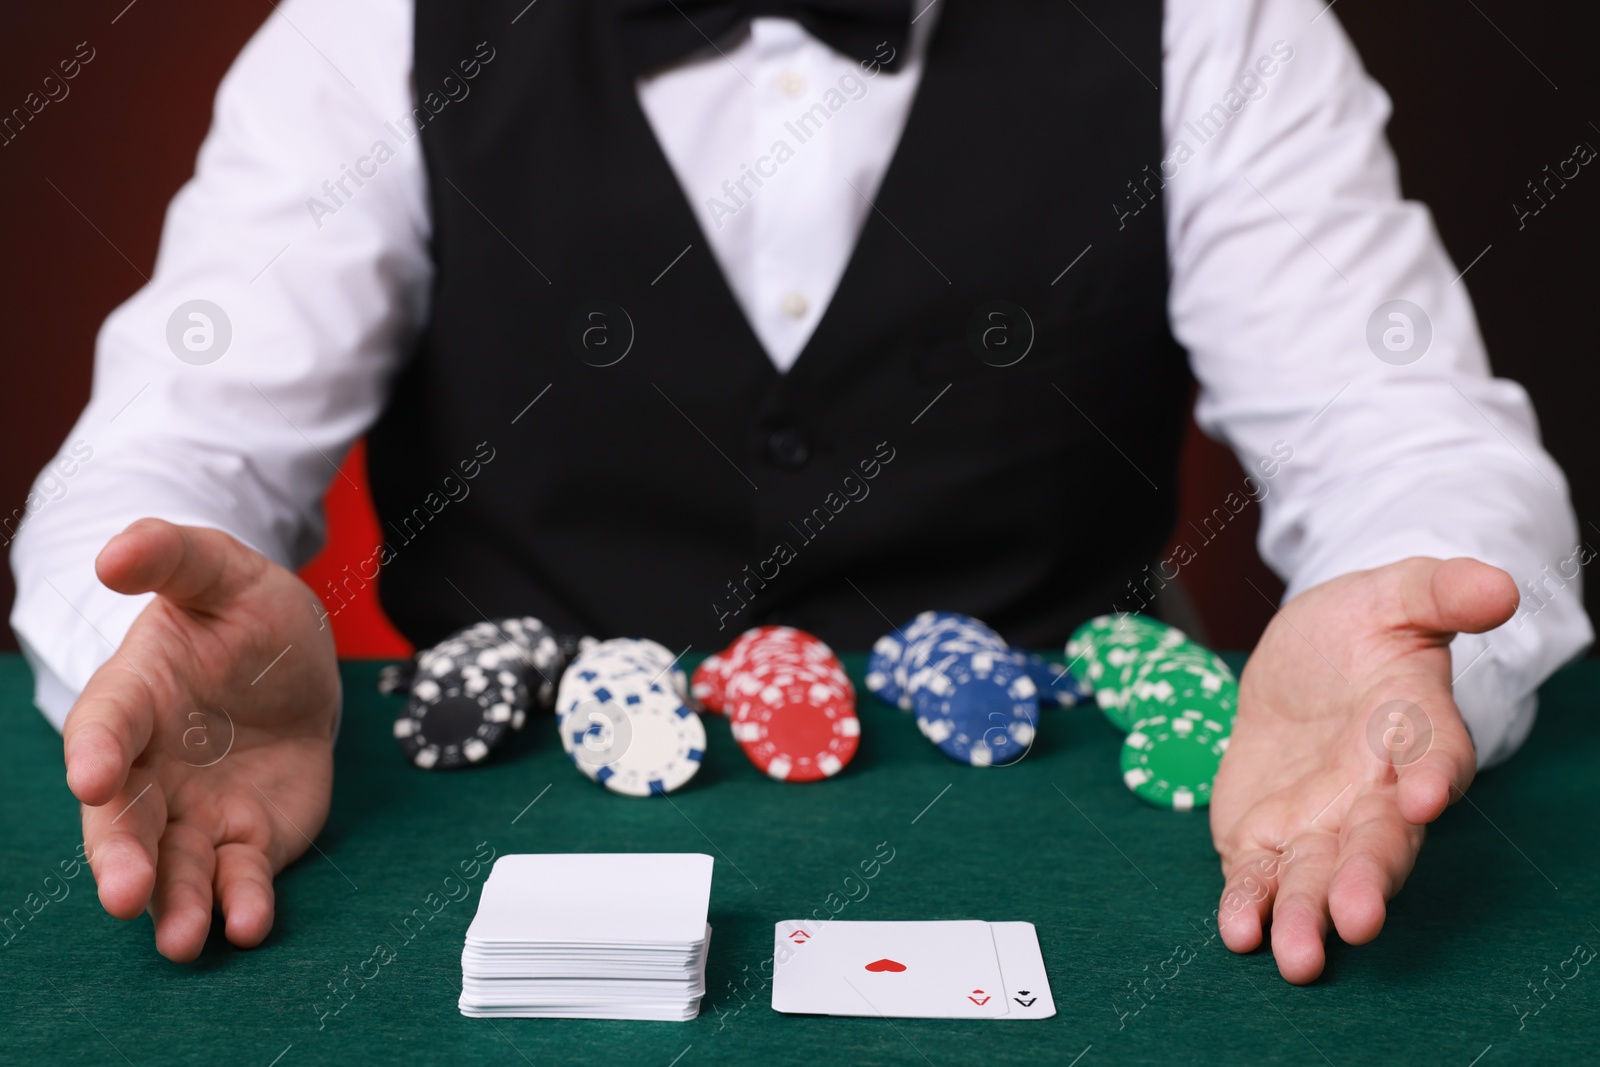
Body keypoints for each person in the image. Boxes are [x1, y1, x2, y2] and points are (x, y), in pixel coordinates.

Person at [8, 0, 1589, 984]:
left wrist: (1417, 629)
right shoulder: (371, 26)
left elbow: (1412, 447)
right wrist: (145, 628)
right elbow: (162, 464)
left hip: (1093, 836)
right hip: (498, 822)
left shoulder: (1216, 22)